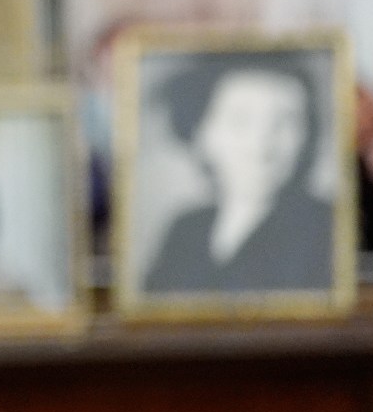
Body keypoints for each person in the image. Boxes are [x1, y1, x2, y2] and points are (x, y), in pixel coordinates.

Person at [141, 53, 338, 296]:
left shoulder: (327, 228)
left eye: (285, 121)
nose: (261, 146)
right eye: (240, 121)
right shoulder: (185, 230)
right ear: (201, 133)